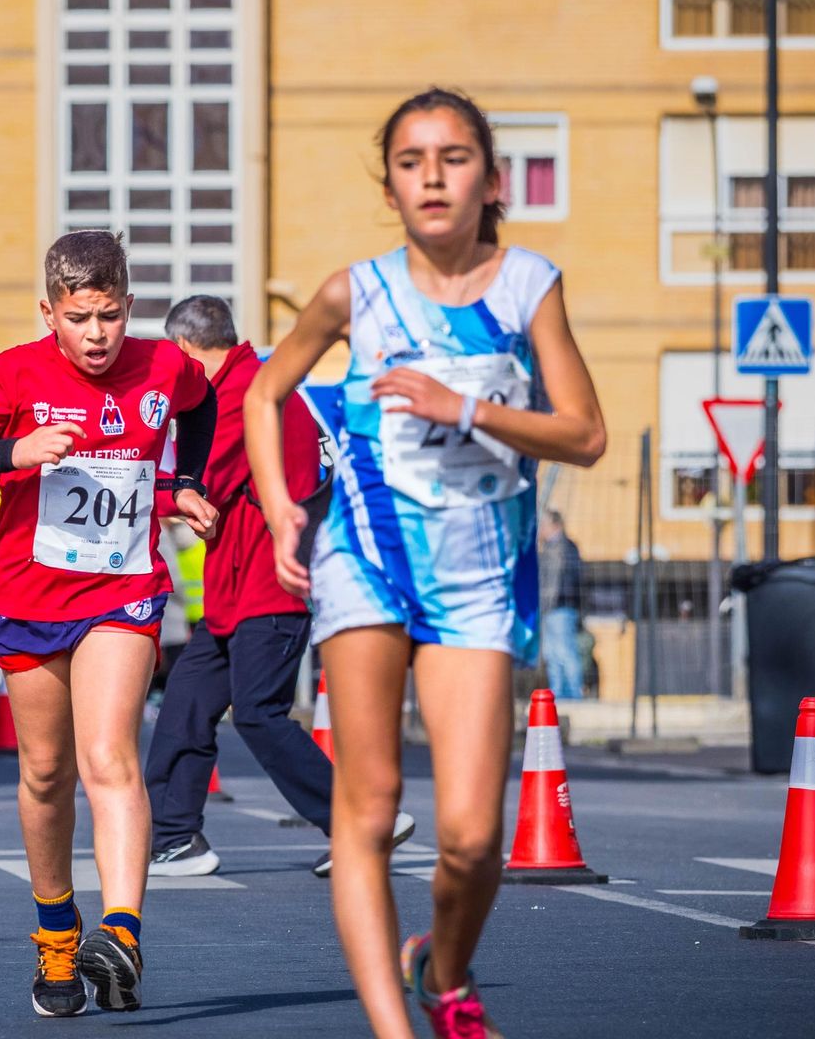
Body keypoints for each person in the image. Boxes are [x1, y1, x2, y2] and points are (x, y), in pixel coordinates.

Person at [244, 88, 606, 1039]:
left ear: (490, 180)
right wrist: (283, 507)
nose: (432, 176)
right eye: (411, 161)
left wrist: (464, 408)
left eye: (453, 158)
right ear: (391, 184)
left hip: (480, 573)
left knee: (474, 835)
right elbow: (262, 391)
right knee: (367, 808)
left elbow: (586, 434)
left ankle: (441, 970)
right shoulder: (353, 292)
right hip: (364, 556)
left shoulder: (530, 285)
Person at [0, 229, 218, 1017]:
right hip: (29, 598)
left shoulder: (163, 365)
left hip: (122, 590)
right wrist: (16, 449)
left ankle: (120, 934)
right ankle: (58, 937)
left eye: (112, 316)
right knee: (46, 775)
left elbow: (203, 401)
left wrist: (183, 481)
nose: (96, 336)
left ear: (131, 307)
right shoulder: (9, 374)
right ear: (49, 310)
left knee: (108, 755)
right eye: (80, 318)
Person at [145, 295, 416, 880]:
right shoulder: (259, 384)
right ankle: (174, 838)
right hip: (233, 590)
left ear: (184, 350)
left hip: (270, 586)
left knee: (260, 712)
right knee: (187, 706)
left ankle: (362, 818)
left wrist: (144, 487)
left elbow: (199, 486)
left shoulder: (242, 396)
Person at [538, 510, 585, 700]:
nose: (540, 529)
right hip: (550, 609)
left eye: (544, 525)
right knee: (552, 654)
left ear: (555, 525)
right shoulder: (550, 548)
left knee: (565, 652)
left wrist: (547, 602)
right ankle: (558, 695)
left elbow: (556, 581)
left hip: (560, 607)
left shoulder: (563, 548)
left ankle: (573, 694)